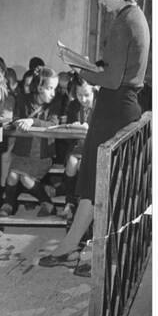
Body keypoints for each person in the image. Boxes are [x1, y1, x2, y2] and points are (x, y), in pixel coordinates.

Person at [39, 0, 150, 275]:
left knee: (102, 184)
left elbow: (112, 80)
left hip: (115, 109)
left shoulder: (124, 20)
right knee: (93, 181)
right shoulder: (134, 15)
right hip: (118, 107)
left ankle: (96, 252)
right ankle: (75, 245)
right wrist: (92, 66)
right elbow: (116, 70)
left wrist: (79, 68)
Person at [0, 66, 60, 217]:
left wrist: (32, 121)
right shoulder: (23, 100)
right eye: (49, 88)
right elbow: (15, 119)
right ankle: (9, 204)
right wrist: (17, 122)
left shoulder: (54, 104)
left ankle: (47, 203)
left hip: (42, 155)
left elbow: (53, 124)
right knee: (12, 175)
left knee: (25, 178)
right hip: (22, 152)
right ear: (39, 87)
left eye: (55, 89)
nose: (53, 93)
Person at [57, 75, 97, 220]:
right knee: (72, 162)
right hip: (76, 146)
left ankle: (79, 202)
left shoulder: (101, 106)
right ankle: (70, 201)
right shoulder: (74, 105)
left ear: (95, 90)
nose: (83, 99)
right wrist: (73, 126)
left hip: (93, 147)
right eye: (79, 95)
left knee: (81, 165)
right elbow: (69, 126)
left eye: (86, 95)